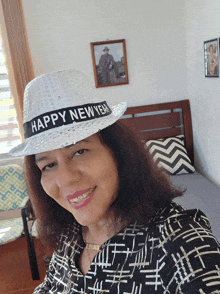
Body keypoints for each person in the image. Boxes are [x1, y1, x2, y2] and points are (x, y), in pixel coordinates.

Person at [10, 69, 220, 294]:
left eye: (80, 151)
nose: (65, 180)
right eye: (48, 165)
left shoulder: (180, 244)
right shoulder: (70, 234)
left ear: (119, 153)